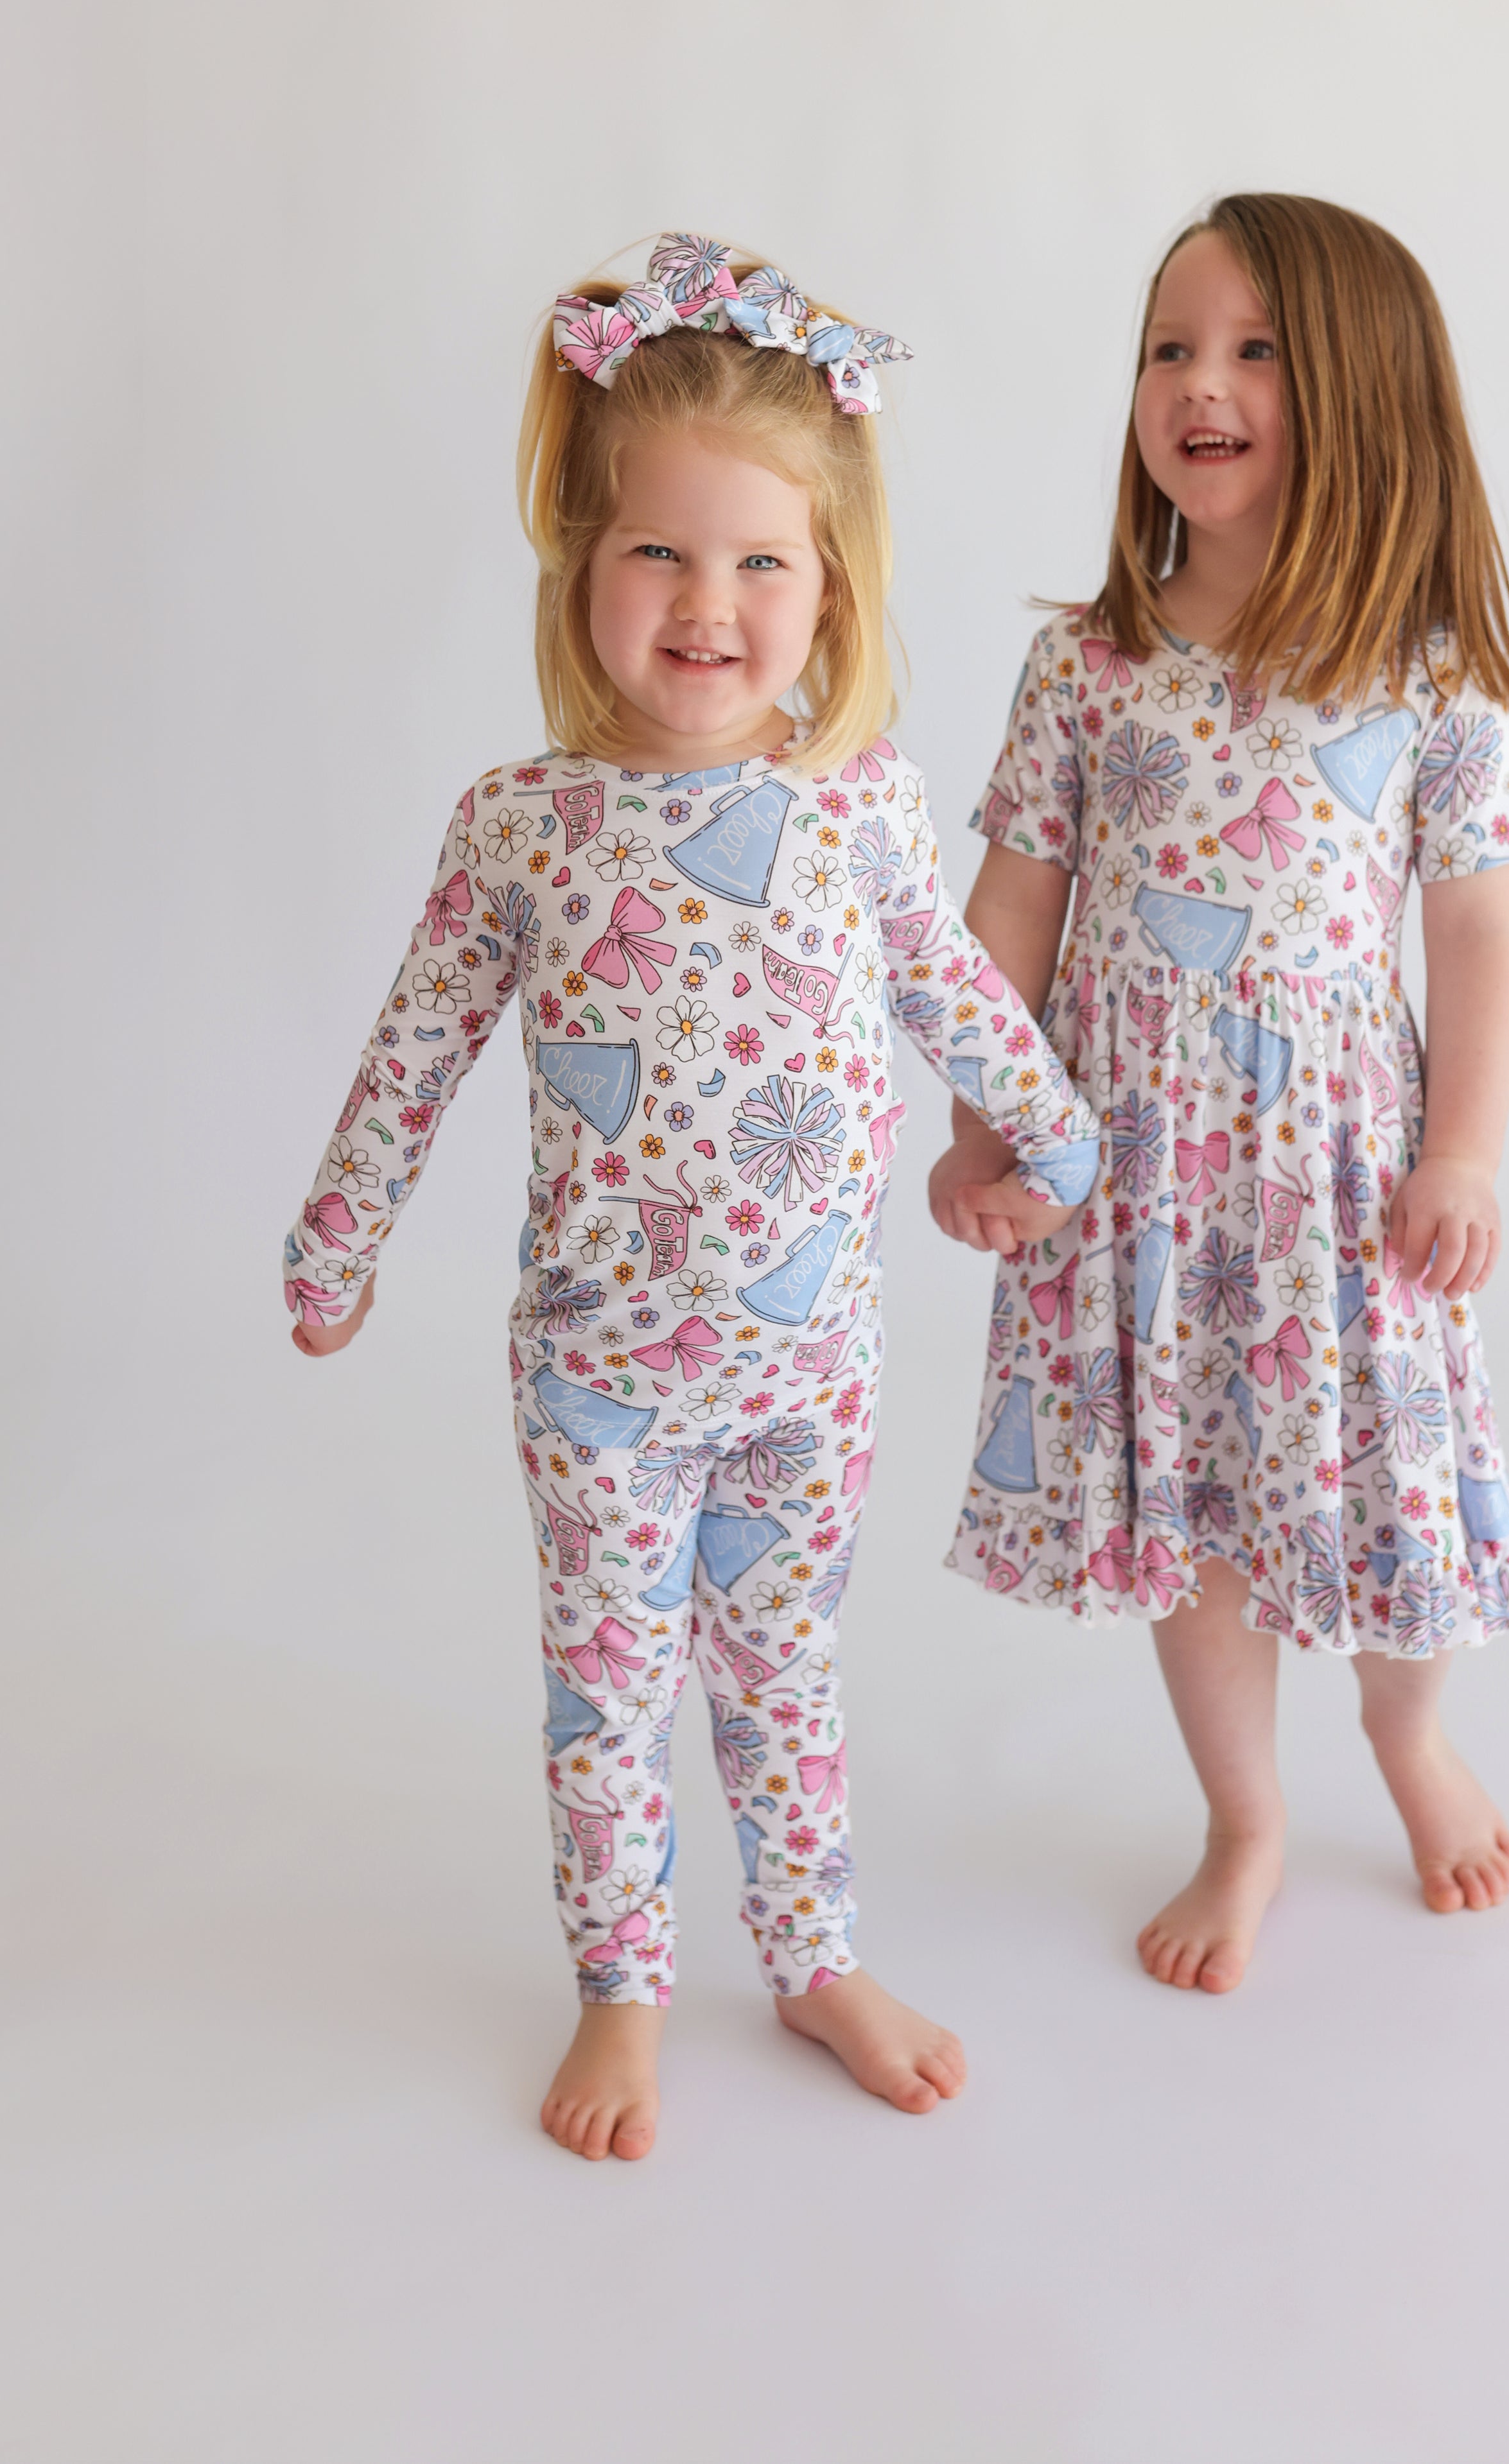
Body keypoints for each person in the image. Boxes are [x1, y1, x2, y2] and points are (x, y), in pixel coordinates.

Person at [284, 232, 1096, 2158]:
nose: (709, 604)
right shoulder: (521, 826)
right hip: (601, 1383)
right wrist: (337, 1243)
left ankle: (812, 1956)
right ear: (582, 565)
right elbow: (414, 1050)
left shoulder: (862, 805)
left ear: (831, 587)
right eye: (659, 551)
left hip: (809, 1372)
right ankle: (622, 1987)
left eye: (761, 563)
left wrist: (1053, 1132)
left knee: (786, 1673)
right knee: (610, 1689)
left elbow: (952, 987)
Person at [929, 193, 1509, 1990]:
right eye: (1170, 350)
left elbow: (1480, 933)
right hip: (1137, 1173)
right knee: (1190, 1502)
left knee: (1387, 1485)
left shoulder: (1426, 672)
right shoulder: (1088, 664)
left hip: (1343, 1181)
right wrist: (989, 1117)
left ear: (1363, 387)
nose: (1199, 384)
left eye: (1254, 351)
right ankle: (1245, 1816)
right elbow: (1013, 908)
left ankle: (1409, 1732)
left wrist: (1464, 1154)